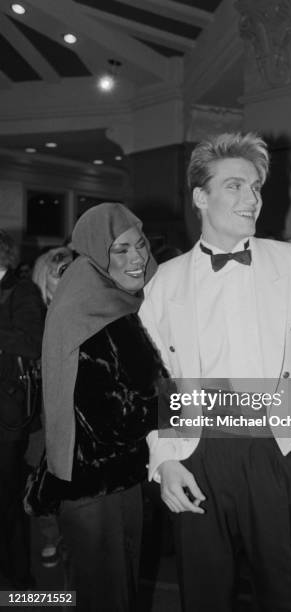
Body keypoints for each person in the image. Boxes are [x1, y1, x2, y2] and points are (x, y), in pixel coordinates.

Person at [139, 132, 291, 611]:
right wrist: (165, 459)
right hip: (198, 449)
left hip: (277, 448)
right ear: (200, 196)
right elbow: (157, 381)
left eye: (255, 187)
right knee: (204, 594)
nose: (251, 198)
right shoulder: (162, 284)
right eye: (234, 185)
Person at [25, 203, 164, 611]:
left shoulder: (83, 297)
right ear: (95, 252)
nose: (137, 257)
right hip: (105, 491)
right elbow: (120, 416)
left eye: (140, 245)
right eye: (120, 250)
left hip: (82, 486)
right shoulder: (107, 314)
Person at [0, 230, 45, 588]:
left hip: (8, 412)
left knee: (7, 494)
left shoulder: (22, 290)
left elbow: (32, 344)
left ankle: (19, 577)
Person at [29, 246, 74, 568]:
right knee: (43, 471)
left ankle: (72, 536)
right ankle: (50, 535)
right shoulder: (34, 313)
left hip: (75, 406)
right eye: (60, 273)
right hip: (41, 410)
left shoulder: (86, 309)